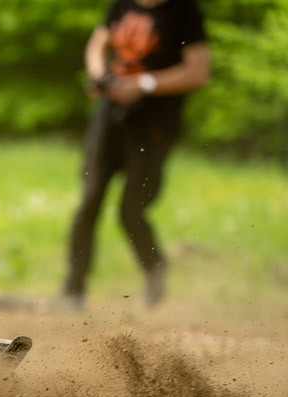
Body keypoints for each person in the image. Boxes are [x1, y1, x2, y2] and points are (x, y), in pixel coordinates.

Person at [62, 0, 211, 309]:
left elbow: (198, 72)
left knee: (131, 209)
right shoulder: (123, 3)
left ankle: (155, 271)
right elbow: (98, 43)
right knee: (89, 201)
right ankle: (72, 290)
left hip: (154, 124)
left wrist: (144, 84)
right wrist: (101, 76)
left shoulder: (184, 10)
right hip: (111, 115)